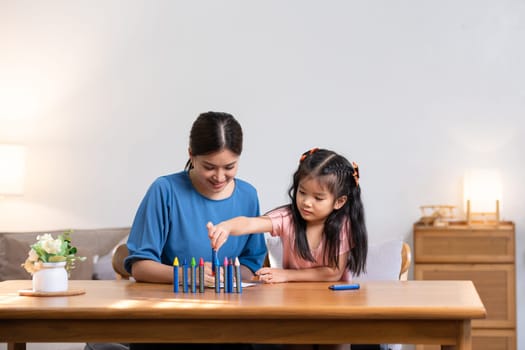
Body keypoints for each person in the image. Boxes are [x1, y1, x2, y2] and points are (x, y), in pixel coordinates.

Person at [124, 111, 266, 350]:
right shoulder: (165, 190)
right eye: (209, 167)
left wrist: (225, 277)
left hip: (229, 320)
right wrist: (189, 276)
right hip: (168, 321)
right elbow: (140, 266)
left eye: (230, 167)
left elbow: (252, 264)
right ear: (191, 154)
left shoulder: (248, 195)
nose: (220, 177)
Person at [208, 148, 367, 284]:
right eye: (302, 192)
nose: (306, 202)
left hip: (334, 302)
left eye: (318, 198)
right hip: (293, 299)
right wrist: (227, 226)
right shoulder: (287, 218)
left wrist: (286, 275)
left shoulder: (343, 225)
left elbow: (333, 272)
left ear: (339, 202)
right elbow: (251, 223)